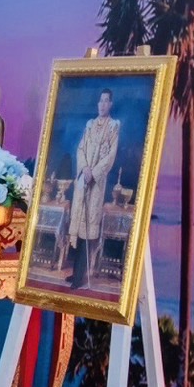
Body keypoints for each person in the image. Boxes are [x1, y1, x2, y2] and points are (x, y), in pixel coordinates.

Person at [67, 89, 120, 289]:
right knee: (78, 225)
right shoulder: (89, 125)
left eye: (106, 101)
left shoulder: (114, 127)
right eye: (101, 100)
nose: (103, 104)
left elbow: (110, 157)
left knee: (89, 228)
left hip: (96, 183)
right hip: (83, 178)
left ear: (110, 104)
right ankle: (75, 273)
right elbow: (81, 148)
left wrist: (94, 172)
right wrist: (85, 168)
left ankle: (81, 275)